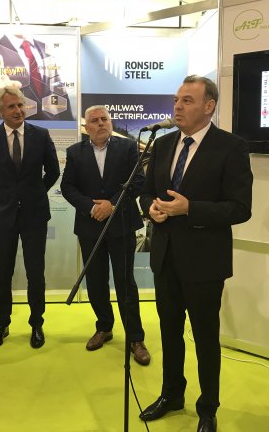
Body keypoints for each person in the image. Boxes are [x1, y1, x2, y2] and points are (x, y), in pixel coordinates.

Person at [139, 75, 253, 432]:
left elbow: (240, 208)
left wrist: (191, 209)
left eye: (187, 100)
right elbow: (145, 192)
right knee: (169, 333)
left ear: (209, 106)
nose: (178, 107)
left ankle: (208, 408)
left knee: (205, 338)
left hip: (204, 261)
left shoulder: (231, 147)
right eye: (176, 100)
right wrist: (151, 209)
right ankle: (172, 394)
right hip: (165, 257)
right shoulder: (162, 143)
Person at [60, 105, 150, 365]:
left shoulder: (128, 148)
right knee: (96, 282)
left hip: (121, 224)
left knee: (125, 282)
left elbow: (138, 181)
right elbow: (68, 187)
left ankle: (135, 337)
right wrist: (91, 208)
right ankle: (104, 327)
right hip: (89, 226)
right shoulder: (74, 152)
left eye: (104, 119)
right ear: (86, 127)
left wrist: (112, 204)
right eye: (95, 120)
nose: (101, 123)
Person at [0, 85, 59, 350]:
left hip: (35, 214)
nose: (18, 110)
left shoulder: (41, 135)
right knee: (3, 273)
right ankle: (2, 324)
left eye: (21, 105)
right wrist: (4, 195)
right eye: (11, 106)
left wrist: (33, 193)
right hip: (3, 215)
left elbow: (53, 172)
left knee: (36, 273)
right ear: (0, 111)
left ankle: (37, 324)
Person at [0, 33, 73, 121]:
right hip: (17, 130)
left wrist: (70, 123)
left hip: (53, 128)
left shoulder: (44, 47)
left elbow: (59, 91)